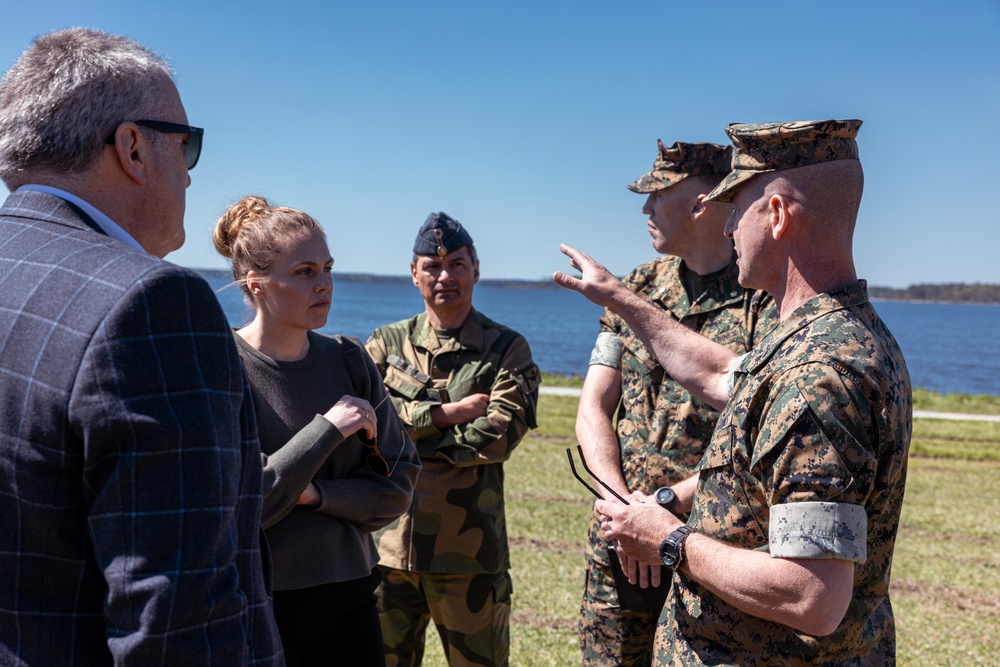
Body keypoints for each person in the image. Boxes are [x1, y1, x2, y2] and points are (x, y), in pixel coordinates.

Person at [555, 119, 911, 665]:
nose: (727, 230)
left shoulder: (818, 371)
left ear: (775, 214)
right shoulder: (822, 338)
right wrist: (621, 299)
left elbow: (811, 595)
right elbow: (722, 376)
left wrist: (669, 540)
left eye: (736, 209)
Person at [0, 29, 282, 665]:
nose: (187, 172)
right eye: (186, 145)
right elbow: (176, 621)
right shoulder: (151, 303)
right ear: (132, 147)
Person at [576, 139, 777, 667]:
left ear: (700, 202)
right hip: (620, 533)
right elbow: (594, 405)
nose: (644, 209)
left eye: (656, 195)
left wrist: (662, 508)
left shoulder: (762, 296)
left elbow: (760, 430)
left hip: (710, 543)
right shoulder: (638, 286)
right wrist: (622, 507)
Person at [213, 195, 421, 666]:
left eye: (327, 268)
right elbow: (238, 504)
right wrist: (327, 429)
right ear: (257, 284)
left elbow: (396, 489)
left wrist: (313, 495)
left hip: (351, 600)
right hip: (255, 603)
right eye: (304, 272)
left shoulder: (349, 360)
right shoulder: (222, 366)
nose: (324, 284)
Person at [366, 212, 540, 667]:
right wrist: (445, 415)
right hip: (386, 554)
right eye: (432, 266)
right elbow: (365, 434)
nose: (445, 277)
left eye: (457, 265)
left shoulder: (507, 349)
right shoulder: (384, 345)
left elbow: (498, 437)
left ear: (476, 269)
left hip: (468, 560)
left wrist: (406, 438)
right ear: (414, 273)